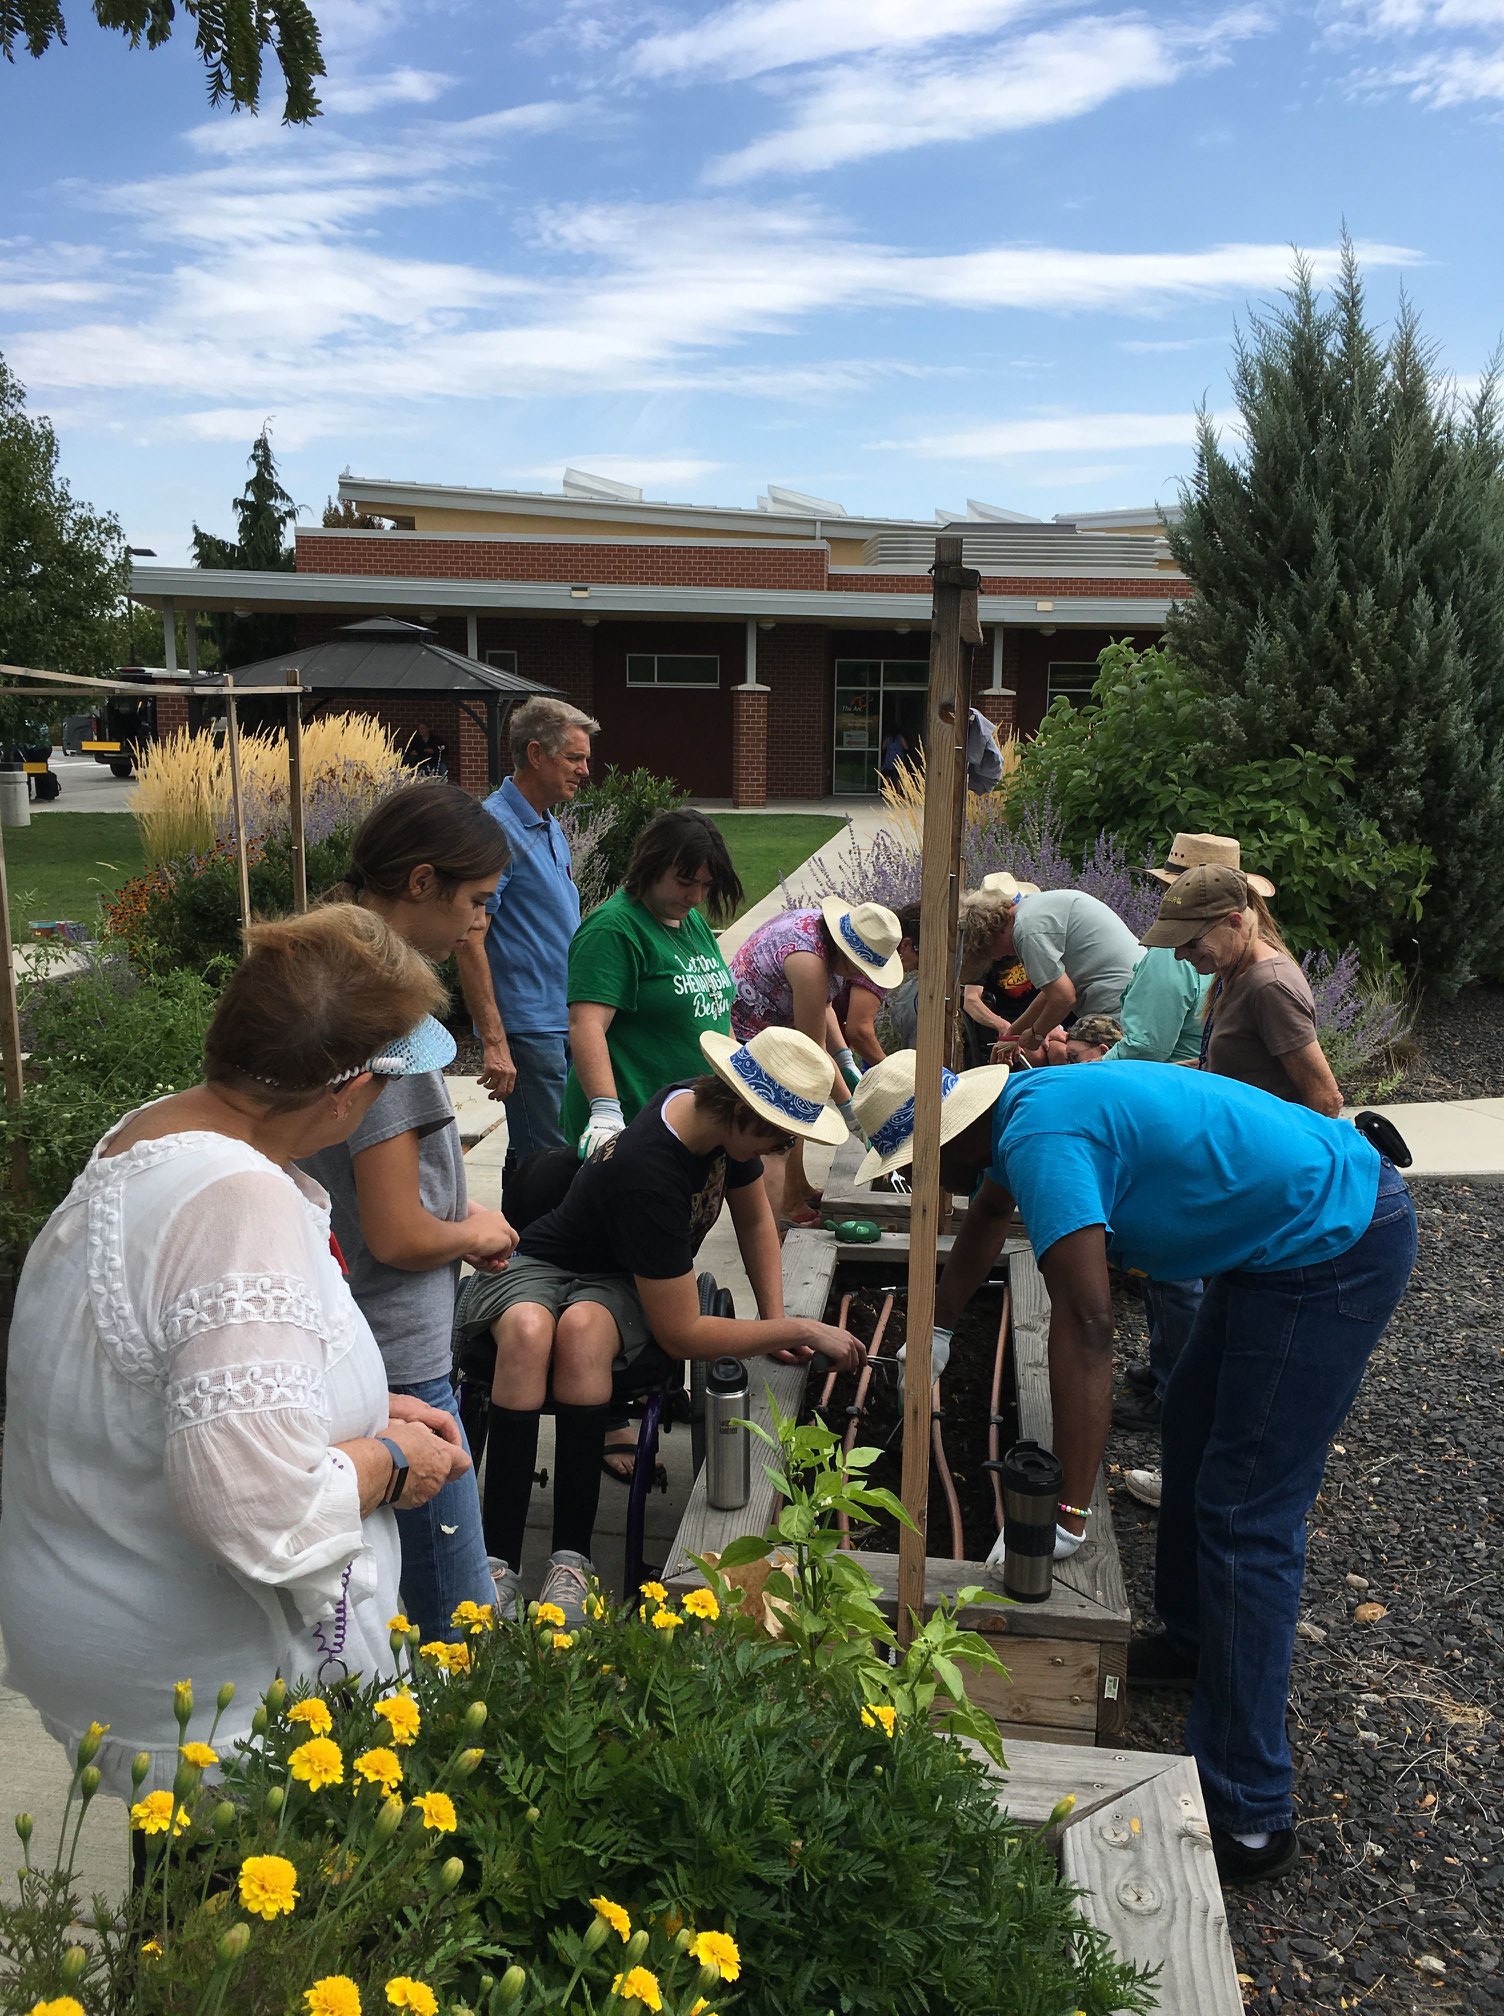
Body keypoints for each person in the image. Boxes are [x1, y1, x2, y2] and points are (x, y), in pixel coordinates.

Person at [852, 1051, 1415, 1886]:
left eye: (920, 1166)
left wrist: (1067, 1514)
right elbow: (985, 1219)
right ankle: (1192, 1641)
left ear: (952, 1135)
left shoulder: (1041, 1135)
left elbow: (1087, 1323)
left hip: (1333, 1243)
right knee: (1191, 1425)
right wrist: (932, 1326)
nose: (926, 1182)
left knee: (1246, 1514)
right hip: (1284, 1238)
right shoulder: (1021, 1114)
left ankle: (1249, 1810)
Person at [0, 907, 475, 1799]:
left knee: (178, 1914)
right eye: (382, 1088)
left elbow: (186, 1389)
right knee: (251, 1921)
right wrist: (387, 1459)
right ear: (341, 1092)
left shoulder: (157, 1134)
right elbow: (258, 1511)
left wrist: (365, 1412)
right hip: (211, 1709)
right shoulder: (236, 1205)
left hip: (113, 1644)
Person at [456, 1028, 865, 1623]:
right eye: (780, 1138)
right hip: (547, 1260)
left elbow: (755, 1223)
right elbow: (683, 1336)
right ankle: (495, 1560)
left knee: (583, 1335)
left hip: (621, 1278)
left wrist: (775, 1314)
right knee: (526, 1332)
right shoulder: (653, 1171)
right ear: (746, 1113)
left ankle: (571, 1558)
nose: (781, 1150)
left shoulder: (707, 1115)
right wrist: (798, 1328)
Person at [303, 784, 521, 1637]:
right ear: (421, 883)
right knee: (453, 1622)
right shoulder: (383, 1022)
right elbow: (395, 1233)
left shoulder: (331, 974)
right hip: (397, 1359)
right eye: (473, 903)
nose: (479, 926)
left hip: (370, 1350)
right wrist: (477, 1230)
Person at [1106, 835, 1267, 1456]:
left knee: (1169, 1264)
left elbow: (1145, 1044)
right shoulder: (1232, 961)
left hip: (1180, 1115)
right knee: (1174, 1264)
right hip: (1199, 1108)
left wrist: (1088, 1076)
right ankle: (1167, 1370)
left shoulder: (1189, 960)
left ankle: (1175, 1384)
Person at [456, 695, 600, 1165]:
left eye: (585, 759)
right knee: (546, 1161)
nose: (583, 770)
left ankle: (524, 1239)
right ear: (536, 754)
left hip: (563, 1020)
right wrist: (495, 1042)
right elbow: (470, 936)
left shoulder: (547, 823)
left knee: (555, 1156)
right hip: (528, 1029)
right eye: (573, 758)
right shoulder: (493, 827)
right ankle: (532, 1241)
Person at [559, 808, 742, 1157]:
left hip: (689, 1119)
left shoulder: (691, 923)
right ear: (652, 867)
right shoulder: (613, 929)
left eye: (706, 885)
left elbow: (717, 1010)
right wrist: (605, 1110)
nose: (696, 897)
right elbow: (586, 1024)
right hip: (634, 1122)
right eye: (685, 883)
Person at [728, 898, 904, 1223]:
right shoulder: (809, 961)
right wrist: (851, 1111)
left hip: (779, 1025)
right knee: (779, 1128)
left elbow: (821, 1005)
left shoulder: (824, 938)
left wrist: (845, 1059)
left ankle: (798, 1190)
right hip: (749, 1032)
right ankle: (777, 1219)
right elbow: (812, 1051)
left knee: (799, 1108)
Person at [1146, 862, 1343, 1114]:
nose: (1179, 955)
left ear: (1234, 922)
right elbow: (1239, 1070)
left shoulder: (1270, 986)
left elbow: (1326, 1098)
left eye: (1191, 942)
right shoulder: (1232, 971)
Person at [958, 877, 1143, 1060]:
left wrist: (1036, 1034)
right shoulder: (1034, 911)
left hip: (1120, 1006)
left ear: (990, 935)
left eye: (989, 952)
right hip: (1136, 994)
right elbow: (1053, 992)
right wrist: (1012, 1034)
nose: (997, 958)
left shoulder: (1027, 932)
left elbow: (1064, 997)